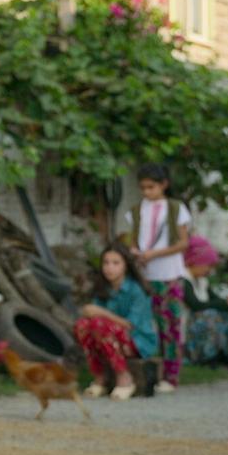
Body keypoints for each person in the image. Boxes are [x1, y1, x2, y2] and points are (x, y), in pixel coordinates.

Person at [122, 163, 191, 393]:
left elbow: (183, 243)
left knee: (170, 325)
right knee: (144, 322)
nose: (146, 192)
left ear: (164, 185)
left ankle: (171, 376)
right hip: (145, 275)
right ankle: (146, 372)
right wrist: (135, 253)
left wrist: (154, 254)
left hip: (169, 273)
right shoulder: (136, 211)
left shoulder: (175, 209)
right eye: (143, 188)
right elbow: (132, 241)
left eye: (151, 187)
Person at [75, 244, 158, 401]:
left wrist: (101, 312)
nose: (109, 268)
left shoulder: (137, 290)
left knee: (99, 324)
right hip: (111, 338)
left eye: (115, 263)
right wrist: (90, 312)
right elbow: (93, 317)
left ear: (126, 265)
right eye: (106, 263)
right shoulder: (103, 288)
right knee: (82, 325)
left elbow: (130, 325)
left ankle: (124, 377)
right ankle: (100, 375)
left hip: (137, 341)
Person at [182, 234, 228, 366]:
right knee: (210, 315)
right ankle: (204, 354)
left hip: (202, 321)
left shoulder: (202, 281)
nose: (209, 270)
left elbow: (215, 300)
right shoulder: (182, 281)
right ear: (194, 261)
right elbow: (196, 305)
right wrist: (226, 302)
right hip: (187, 328)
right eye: (207, 265)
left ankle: (227, 352)